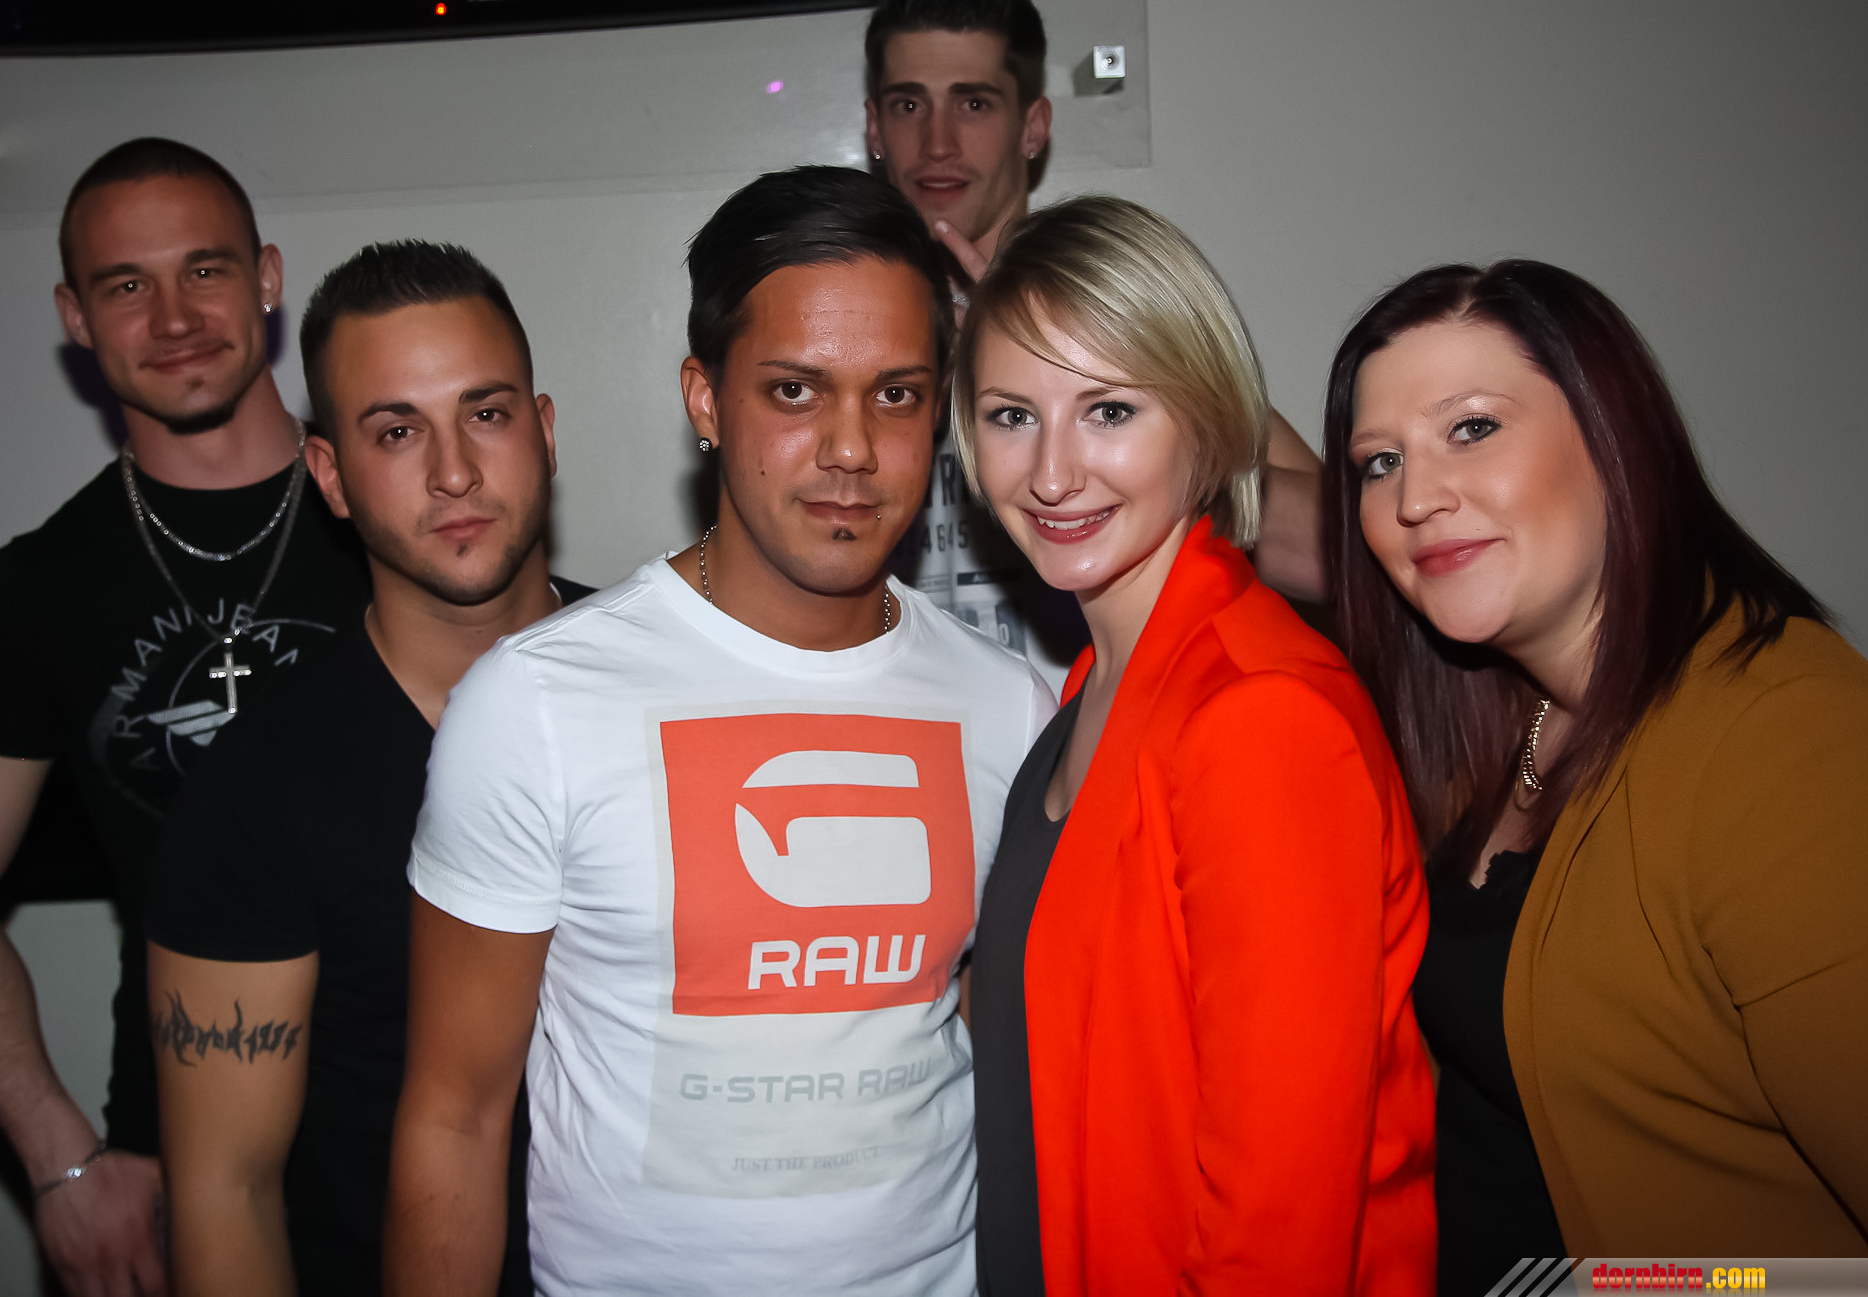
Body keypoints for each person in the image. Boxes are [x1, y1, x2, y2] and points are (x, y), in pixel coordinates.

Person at [386, 165, 1054, 1296]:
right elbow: (455, 1116)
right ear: (704, 399)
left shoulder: (1011, 705)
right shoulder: (536, 704)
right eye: (796, 391)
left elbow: (1006, 1058)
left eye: (897, 395)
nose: (852, 448)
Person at [1323, 260, 1868, 1275]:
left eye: (1472, 428)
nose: (1416, 497)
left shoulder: (1795, 748)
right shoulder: (1498, 715)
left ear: (1611, 433)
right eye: (1380, 462)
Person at [0, 138, 369, 1296]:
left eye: (204, 270)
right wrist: (60, 1158)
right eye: (124, 285)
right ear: (75, 317)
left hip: (442, 1124)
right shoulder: (32, 593)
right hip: (179, 1156)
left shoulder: (406, 516)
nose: (174, 317)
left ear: (267, 278)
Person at [956, 196, 1437, 1296]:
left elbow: (1279, 1234)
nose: (1053, 473)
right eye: (1011, 414)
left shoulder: (1262, 718)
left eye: (1110, 410)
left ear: (1209, 425)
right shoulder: (1092, 689)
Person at [143, 241, 585, 1296]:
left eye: (486, 413)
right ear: (331, 476)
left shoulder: (670, 688)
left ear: (544, 430)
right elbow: (226, 1191)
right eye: (397, 431)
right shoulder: (259, 790)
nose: (454, 472)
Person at [862, 0, 1327, 624]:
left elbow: (1341, 559)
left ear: (1033, 127)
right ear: (874, 128)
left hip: (1124, 685)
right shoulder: (841, 329)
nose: (938, 143)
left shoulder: (1109, 301)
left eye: (974, 103)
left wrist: (1034, 345)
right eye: (909, 105)